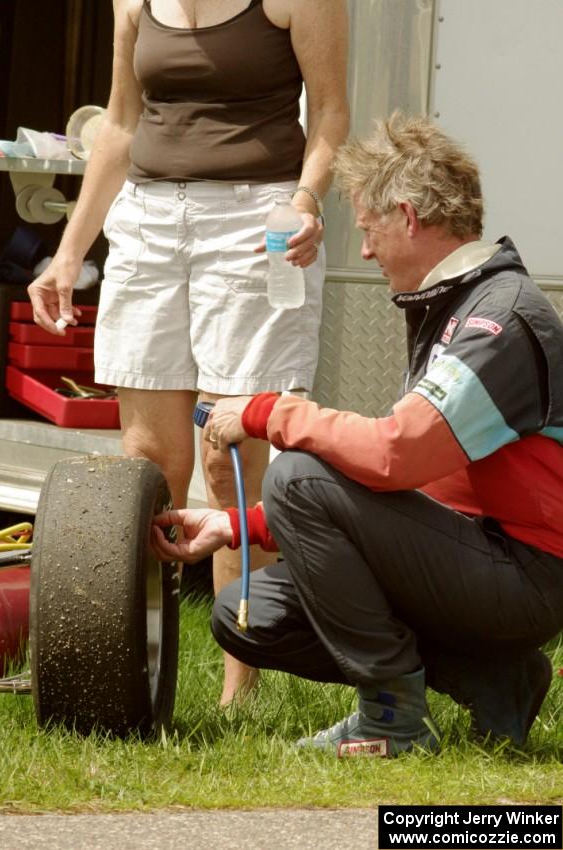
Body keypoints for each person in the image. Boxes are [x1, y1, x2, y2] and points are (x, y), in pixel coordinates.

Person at [151, 112, 563, 756]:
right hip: (484, 561)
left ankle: (392, 716)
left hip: (528, 580)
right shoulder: (454, 304)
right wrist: (240, 529)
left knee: (294, 469)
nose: (365, 251)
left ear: (408, 215)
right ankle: (493, 677)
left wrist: (266, 412)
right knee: (247, 611)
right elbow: (413, 489)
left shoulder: (497, 317)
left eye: (369, 231)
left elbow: (395, 456)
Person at [27, 0, 350, 705]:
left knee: (227, 456)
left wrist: (305, 200)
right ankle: (135, 671)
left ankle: (243, 683)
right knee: (148, 461)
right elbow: (118, 124)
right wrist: (68, 253)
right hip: (146, 220)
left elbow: (328, 116)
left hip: (253, 217)